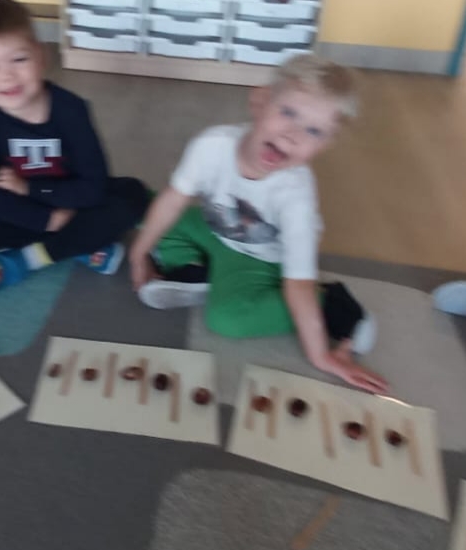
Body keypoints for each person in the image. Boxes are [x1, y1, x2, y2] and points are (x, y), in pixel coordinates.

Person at [128, 54, 387, 395]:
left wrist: (321, 356)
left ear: (324, 145)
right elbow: (173, 201)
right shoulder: (212, 145)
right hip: (216, 227)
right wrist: (138, 255)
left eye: (313, 131)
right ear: (260, 101)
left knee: (226, 320)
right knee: (145, 208)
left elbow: (298, 284)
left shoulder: (295, 197)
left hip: (261, 258)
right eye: (288, 112)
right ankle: (197, 271)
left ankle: (329, 302)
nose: (292, 135)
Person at [0, 0, 149, 293]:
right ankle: (79, 244)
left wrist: (32, 189)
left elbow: (93, 186)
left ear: (41, 57)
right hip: (23, 211)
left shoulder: (71, 110)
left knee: (132, 195)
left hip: (72, 203)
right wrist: (45, 220)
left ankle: (29, 258)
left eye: (19, 59)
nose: (7, 75)